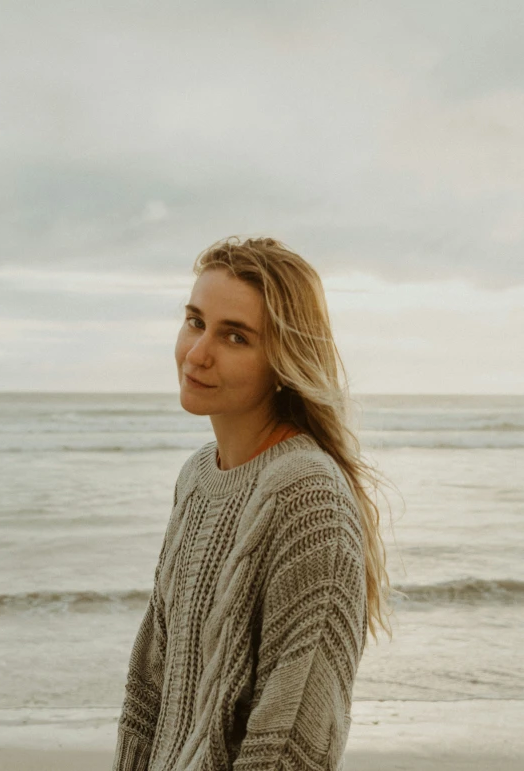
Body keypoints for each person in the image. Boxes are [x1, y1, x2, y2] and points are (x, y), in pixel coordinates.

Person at [112, 236, 398, 771]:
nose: (197, 354)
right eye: (195, 321)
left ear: (284, 361)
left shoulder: (309, 496)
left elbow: (291, 737)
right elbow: (151, 686)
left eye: (235, 336)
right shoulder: (197, 476)